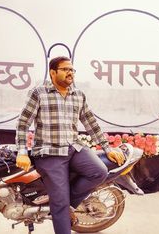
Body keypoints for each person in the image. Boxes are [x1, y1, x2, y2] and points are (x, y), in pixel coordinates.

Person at [15, 56, 125, 234]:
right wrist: (22, 151)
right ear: (53, 73)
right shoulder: (39, 93)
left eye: (72, 70)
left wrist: (107, 148)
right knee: (59, 202)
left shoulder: (78, 95)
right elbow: (23, 123)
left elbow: (91, 123)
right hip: (49, 153)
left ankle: (66, 205)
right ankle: (61, 206)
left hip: (75, 148)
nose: (70, 73)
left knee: (99, 171)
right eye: (65, 69)